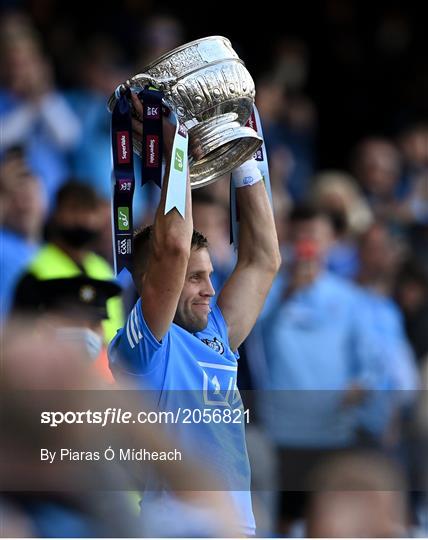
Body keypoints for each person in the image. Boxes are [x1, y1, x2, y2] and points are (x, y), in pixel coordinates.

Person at [108, 92, 281, 536]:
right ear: (151, 281)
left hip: (235, 528)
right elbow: (172, 247)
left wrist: (240, 149)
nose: (210, 290)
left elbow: (263, 260)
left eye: (208, 275)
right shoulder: (142, 347)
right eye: (193, 278)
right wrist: (177, 145)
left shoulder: (218, 335)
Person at [12, 180, 123, 343]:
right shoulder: (35, 271)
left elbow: (115, 332)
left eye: (89, 210)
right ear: (56, 213)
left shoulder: (104, 271)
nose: (83, 219)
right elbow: (20, 339)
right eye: (74, 209)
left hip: (102, 366)